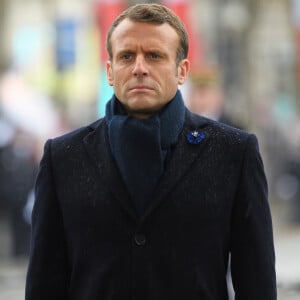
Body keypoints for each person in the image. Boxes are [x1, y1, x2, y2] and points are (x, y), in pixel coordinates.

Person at [25, 3, 277, 300]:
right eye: (126, 56)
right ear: (109, 70)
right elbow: (44, 283)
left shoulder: (234, 152)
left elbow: (257, 282)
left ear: (182, 70)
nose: (139, 68)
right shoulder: (63, 157)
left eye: (155, 56)